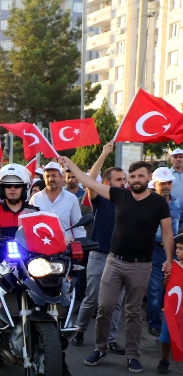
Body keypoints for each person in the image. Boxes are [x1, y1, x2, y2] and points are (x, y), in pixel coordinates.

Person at [0, 164, 84, 376]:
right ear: (2, 188)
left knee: (53, 305)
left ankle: (60, 363)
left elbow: (54, 234)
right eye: (8, 185)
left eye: (17, 185)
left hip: (30, 267)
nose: (12, 189)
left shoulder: (35, 212)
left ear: (25, 188)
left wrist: (70, 245)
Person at [66, 158, 173, 374]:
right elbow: (89, 181)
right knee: (104, 307)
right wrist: (69, 163)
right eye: (132, 176)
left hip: (141, 265)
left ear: (148, 178)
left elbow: (168, 232)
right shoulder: (119, 195)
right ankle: (100, 348)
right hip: (113, 262)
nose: (135, 180)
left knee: (133, 312)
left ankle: (133, 355)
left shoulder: (158, 203)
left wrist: (169, 259)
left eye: (140, 176)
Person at [72, 142, 124, 352]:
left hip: (121, 257)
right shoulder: (101, 198)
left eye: (124, 180)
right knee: (92, 298)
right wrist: (104, 153)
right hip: (99, 255)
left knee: (116, 303)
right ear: (107, 182)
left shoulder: (128, 199)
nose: (123, 183)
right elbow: (89, 180)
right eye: (119, 180)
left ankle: (110, 339)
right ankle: (79, 330)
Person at [147, 167, 182, 335]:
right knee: (155, 287)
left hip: (174, 250)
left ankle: (170, 318)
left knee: (173, 285)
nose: (167, 186)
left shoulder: (177, 202)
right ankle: (154, 323)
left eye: (169, 182)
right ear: (155, 184)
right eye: (163, 183)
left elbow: (180, 224)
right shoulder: (147, 202)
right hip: (153, 249)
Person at [157, 235, 183, 373]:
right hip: (172, 308)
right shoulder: (173, 266)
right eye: (177, 248)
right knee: (166, 335)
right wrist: (167, 278)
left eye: (181, 249)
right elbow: (165, 286)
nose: (177, 251)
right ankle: (164, 359)